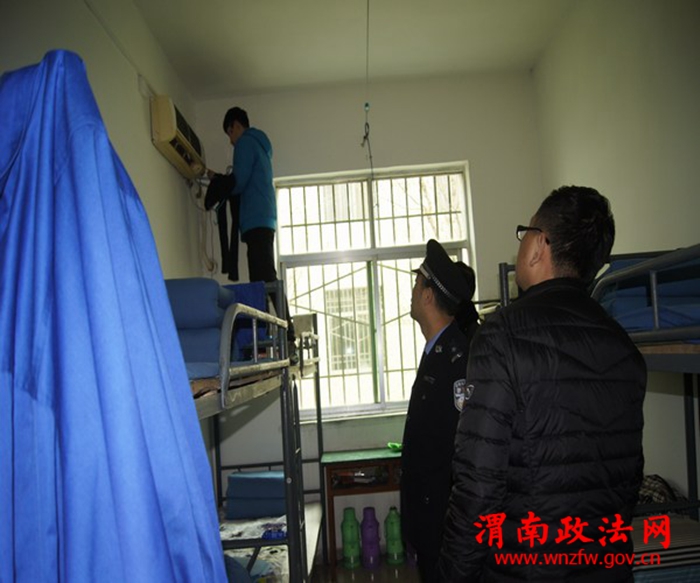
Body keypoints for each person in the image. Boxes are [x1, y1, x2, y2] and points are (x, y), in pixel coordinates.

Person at [437, 186, 646, 582]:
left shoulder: (501, 335)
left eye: (525, 232)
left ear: (538, 245)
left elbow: (478, 489)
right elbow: (629, 481)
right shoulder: (624, 347)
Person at [400, 239, 480, 583]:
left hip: (446, 525)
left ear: (428, 296)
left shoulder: (457, 360)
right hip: (431, 518)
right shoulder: (438, 351)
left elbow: (463, 452)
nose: (412, 292)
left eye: (417, 283)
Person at [207, 107, 295, 353]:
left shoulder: (245, 143)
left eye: (230, 133)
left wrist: (218, 181)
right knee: (262, 281)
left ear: (236, 125)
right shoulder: (261, 146)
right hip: (264, 219)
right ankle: (268, 337)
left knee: (264, 279)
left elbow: (239, 182)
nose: (231, 140)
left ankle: (286, 335)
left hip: (256, 219)